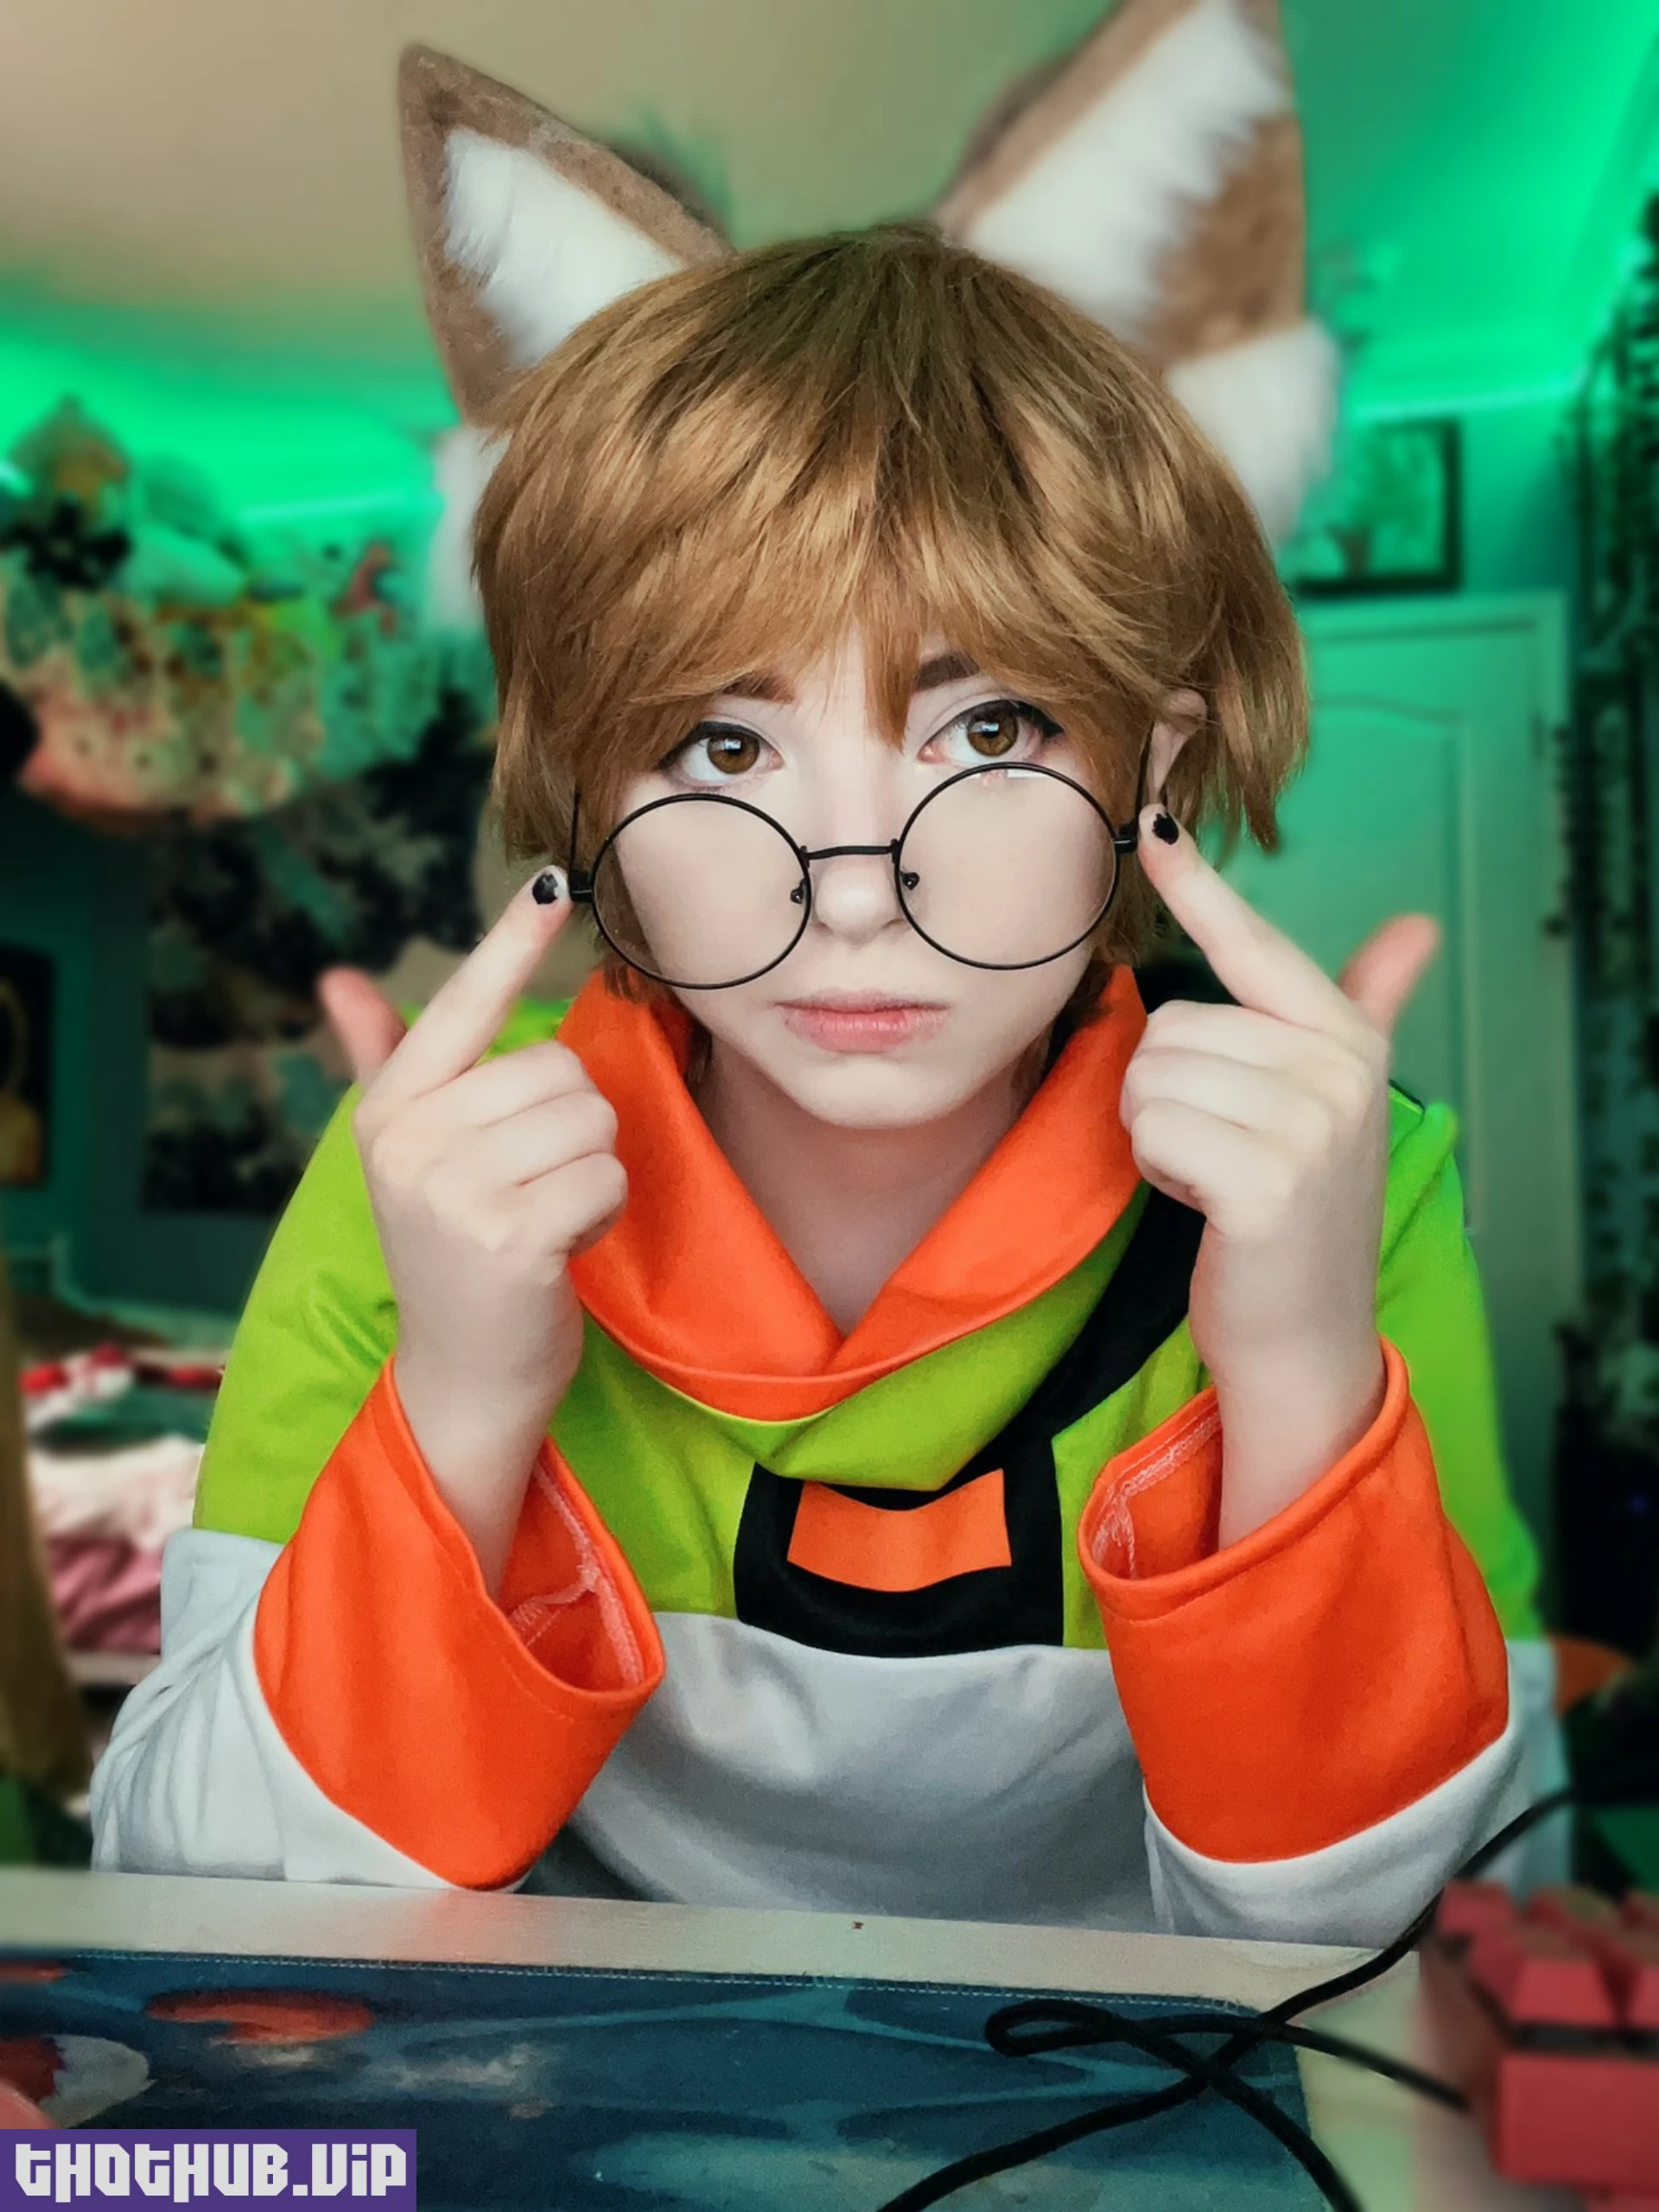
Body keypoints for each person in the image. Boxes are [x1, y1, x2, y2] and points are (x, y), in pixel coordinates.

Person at [92, 227, 1532, 1941]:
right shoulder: (429, 1171)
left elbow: (1427, 1961)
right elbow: (199, 1919)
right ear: (591, 798)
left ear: (1149, 766)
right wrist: (461, 1410)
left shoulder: (1343, 1180)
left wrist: (1295, 1382)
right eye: (724, 744)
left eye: (989, 731)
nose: (854, 894)